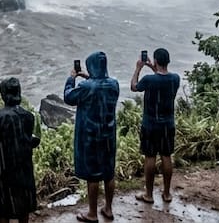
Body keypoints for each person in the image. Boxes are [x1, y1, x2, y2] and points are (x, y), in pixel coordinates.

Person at [64, 51, 119, 223]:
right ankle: (108, 209)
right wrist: (88, 76)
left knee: (93, 175)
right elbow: (100, 83)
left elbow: (69, 97)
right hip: (109, 135)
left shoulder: (86, 87)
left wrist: (72, 78)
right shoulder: (114, 84)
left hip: (91, 136)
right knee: (109, 173)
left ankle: (92, 213)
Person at [130, 47, 179, 204]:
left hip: (150, 123)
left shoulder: (149, 80)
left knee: (150, 157)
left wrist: (138, 68)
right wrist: (154, 67)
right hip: (168, 124)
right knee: (166, 156)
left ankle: (149, 194)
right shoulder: (175, 79)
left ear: (156, 61)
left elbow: (134, 86)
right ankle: (166, 193)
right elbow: (162, 77)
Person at [0, 77, 39, 223]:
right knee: (24, 205)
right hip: (24, 167)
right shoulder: (28, 116)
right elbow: (29, 140)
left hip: (3, 169)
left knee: (3, 208)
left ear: (4, 94)